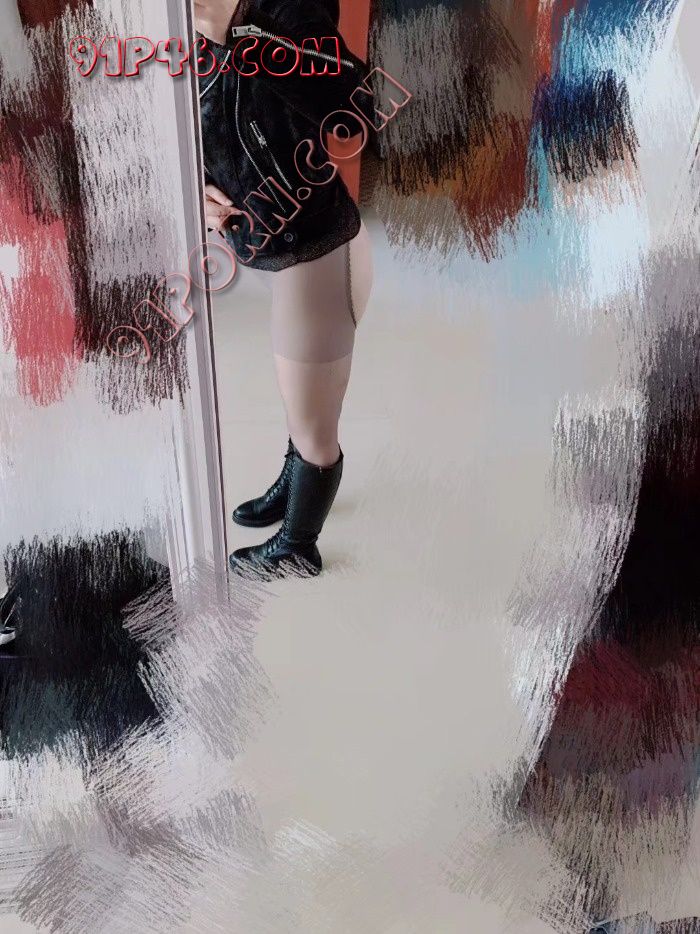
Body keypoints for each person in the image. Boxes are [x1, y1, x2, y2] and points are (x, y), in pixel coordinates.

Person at [195, 0, 374, 579]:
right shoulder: (175, 27)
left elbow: (353, 106)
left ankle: (298, 546)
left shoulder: (283, 8)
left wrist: (237, 32)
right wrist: (196, 187)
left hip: (317, 248)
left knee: (315, 424)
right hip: (278, 248)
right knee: (298, 395)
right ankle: (293, 485)